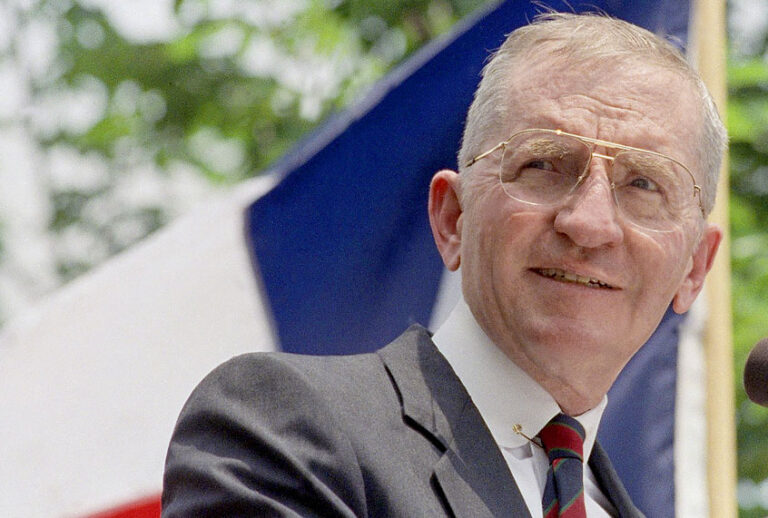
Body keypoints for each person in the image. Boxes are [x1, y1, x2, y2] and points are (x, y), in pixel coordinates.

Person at [162, 12, 725, 518]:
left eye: (645, 184)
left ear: (695, 269)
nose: (589, 222)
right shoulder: (286, 428)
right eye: (545, 164)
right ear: (453, 218)